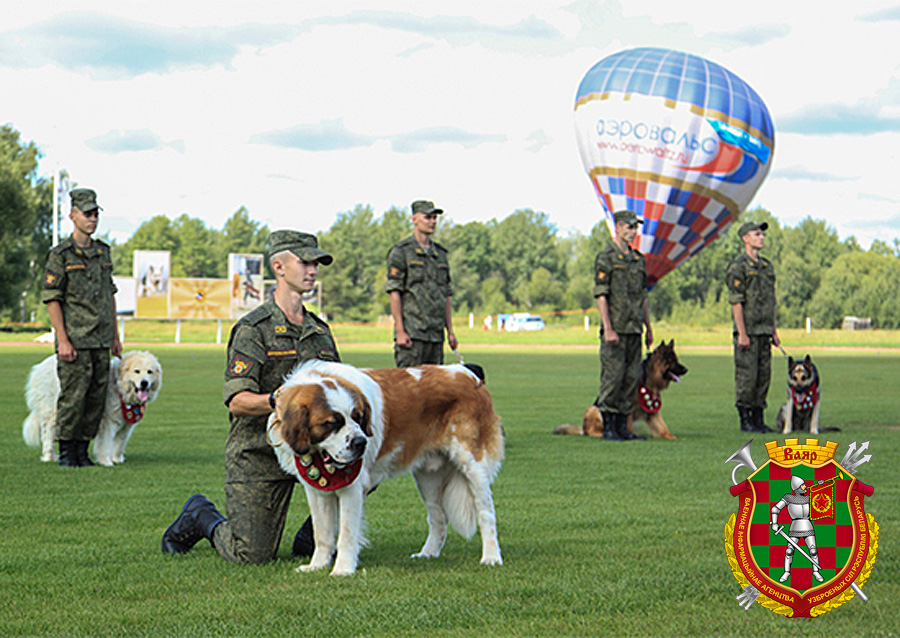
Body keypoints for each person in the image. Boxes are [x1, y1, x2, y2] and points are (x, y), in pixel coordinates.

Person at [161, 230, 340, 564]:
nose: (313, 270)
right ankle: (200, 516)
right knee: (251, 555)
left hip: (310, 449)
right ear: (279, 266)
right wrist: (278, 400)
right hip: (261, 451)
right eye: (305, 262)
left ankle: (315, 538)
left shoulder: (320, 331)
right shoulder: (253, 329)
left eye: (317, 263)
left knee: (361, 460)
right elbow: (238, 401)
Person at [41, 188, 122, 467]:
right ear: (72, 215)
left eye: (95, 213)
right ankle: (67, 452)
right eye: (87, 213)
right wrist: (62, 339)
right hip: (75, 339)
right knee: (73, 398)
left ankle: (82, 451)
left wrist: (115, 336)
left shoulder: (102, 252)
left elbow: (110, 295)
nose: (92, 218)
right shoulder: (60, 255)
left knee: (95, 399)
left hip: (100, 340)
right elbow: (53, 298)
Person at [592, 210, 653, 441]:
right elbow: (601, 294)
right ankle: (608, 426)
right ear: (617, 228)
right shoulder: (606, 258)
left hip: (634, 328)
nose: (633, 231)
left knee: (631, 378)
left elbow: (642, 296)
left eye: (635, 228)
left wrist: (648, 327)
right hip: (615, 329)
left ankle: (623, 427)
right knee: (613, 377)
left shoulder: (638, 259)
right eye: (629, 227)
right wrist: (608, 327)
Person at [385, 199, 457, 367]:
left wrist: (450, 332)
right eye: (428, 217)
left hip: (435, 335)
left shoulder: (440, 254)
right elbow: (394, 292)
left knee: (434, 390)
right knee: (409, 389)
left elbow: (446, 295)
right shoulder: (401, 252)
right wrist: (401, 331)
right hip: (413, 334)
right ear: (414, 219)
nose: (432, 222)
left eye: (434, 218)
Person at [726, 221, 779, 433]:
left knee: (763, 377)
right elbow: (736, 302)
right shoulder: (738, 267)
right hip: (747, 332)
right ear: (745, 239)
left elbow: (772, 302)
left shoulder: (767, 267)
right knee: (747, 377)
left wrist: (774, 330)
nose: (762, 237)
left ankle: (759, 418)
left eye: (762, 234)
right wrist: (742, 333)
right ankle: (745, 419)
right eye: (757, 234)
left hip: (764, 331)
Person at [771, 476, 824, 584]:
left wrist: (820, 486)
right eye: (803, 485)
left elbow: (822, 497)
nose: (805, 487)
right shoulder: (788, 498)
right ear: (797, 487)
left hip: (808, 525)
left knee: (813, 551)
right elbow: (775, 509)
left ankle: (815, 571)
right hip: (795, 526)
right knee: (789, 551)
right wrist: (775, 523)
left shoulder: (809, 497)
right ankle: (786, 572)